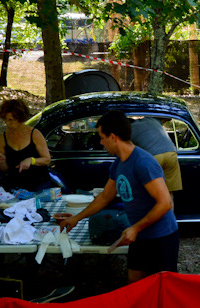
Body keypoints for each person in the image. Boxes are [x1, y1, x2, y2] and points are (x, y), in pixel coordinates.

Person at [58, 110, 179, 283]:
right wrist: (77, 218)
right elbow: (105, 197)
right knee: (134, 286)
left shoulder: (143, 162)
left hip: (161, 237)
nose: (101, 142)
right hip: (140, 236)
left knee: (162, 289)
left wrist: (136, 228)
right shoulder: (118, 164)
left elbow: (165, 203)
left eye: (102, 137)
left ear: (113, 137)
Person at [0, 98, 52, 192]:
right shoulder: (3, 138)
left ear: (19, 118)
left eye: (11, 120)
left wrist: (31, 160)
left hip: (39, 185)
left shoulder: (34, 134)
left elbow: (47, 159)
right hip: (15, 187)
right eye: (5, 120)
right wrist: (2, 161)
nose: (7, 123)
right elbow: (5, 169)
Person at [131, 117, 183, 196]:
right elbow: (166, 118)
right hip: (171, 152)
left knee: (152, 193)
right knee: (169, 192)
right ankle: (170, 208)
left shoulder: (129, 130)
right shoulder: (151, 120)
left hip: (154, 156)